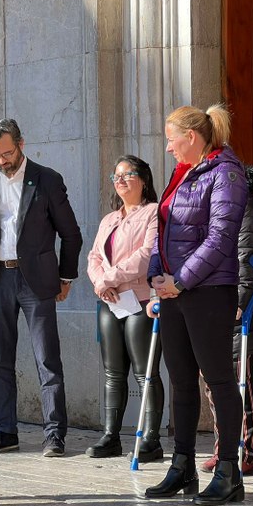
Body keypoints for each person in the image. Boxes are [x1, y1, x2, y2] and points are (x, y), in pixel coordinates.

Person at [144, 104, 247, 505]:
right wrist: (157, 274)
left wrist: (181, 280)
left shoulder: (226, 172)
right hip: (174, 292)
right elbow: (162, 228)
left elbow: (221, 237)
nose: (168, 147)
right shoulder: (182, 172)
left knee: (219, 380)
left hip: (208, 291)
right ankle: (182, 465)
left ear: (191, 136)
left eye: (171, 139)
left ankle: (229, 472)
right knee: (181, 379)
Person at [0, 118, 83, 458]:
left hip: (36, 281)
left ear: (21, 144)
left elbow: (71, 234)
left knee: (47, 359)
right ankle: (5, 431)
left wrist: (65, 277)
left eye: (6, 153)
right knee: (0, 361)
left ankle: (54, 434)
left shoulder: (47, 179)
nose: (1, 161)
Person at [200, 165, 253, 475]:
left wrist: (239, 302)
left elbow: (251, 258)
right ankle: (223, 448)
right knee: (215, 386)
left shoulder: (249, 208)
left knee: (246, 388)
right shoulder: (214, 211)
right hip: (213, 307)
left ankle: (247, 452)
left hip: (248, 314)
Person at [85, 155, 160, 460]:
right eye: (116, 176)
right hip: (110, 302)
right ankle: (110, 436)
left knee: (145, 372)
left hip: (140, 300)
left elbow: (147, 254)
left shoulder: (153, 213)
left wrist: (110, 278)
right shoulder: (109, 219)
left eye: (128, 174)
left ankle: (151, 440)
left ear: (143, 179)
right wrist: (100, 282)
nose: (121, 180)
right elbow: (94, 257)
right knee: (113, 373)